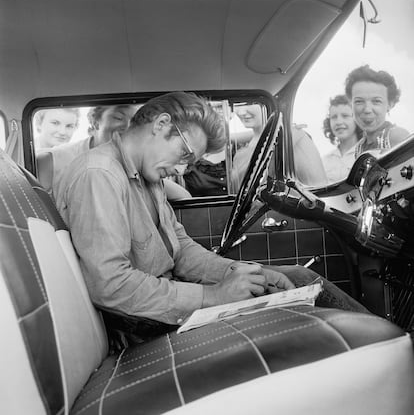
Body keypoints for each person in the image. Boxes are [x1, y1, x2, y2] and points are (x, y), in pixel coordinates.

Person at [55, 92, 368, 345]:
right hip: (142, 329)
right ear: (162, 124)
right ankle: (379, 350)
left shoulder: (148, 179)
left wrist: (244, 271)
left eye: (190, 163)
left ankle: (374, 347)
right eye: (184, 154)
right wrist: (213, 296)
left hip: (160, 313)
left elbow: (180, 248)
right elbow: (110, 285)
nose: (181, 169)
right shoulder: (99, 175)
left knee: (296, 278)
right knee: (299, 297)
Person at [37, 104, 190, 201]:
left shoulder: (134, 164)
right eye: (118, 117)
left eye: (135, 120)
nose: (128, 126)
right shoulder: (52, 160)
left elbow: (182, 196)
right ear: (96, 122)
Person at [231, 104, 327, 190]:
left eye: (250, 103)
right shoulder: (243, 147)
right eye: (238, 104)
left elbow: (320, 190)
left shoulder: (294, 138)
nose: (241, 112)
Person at [345, 65, 411, 157]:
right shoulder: (359, 147)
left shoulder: (397, 136)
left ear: (390, 104)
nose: (367, 109)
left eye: (376, 101)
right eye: (359, 101)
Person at [322, 95, 363, 183]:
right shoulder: (324, 161)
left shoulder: (366, 155)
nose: (339, 122)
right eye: (334, 117)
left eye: (345, 116)